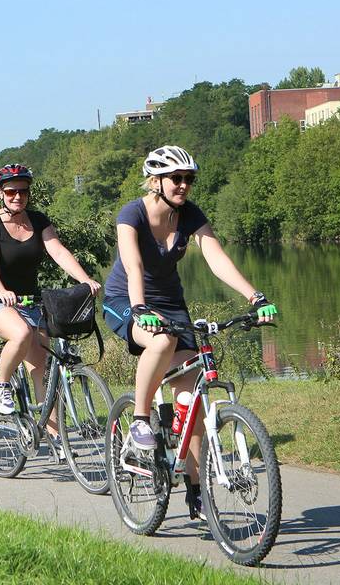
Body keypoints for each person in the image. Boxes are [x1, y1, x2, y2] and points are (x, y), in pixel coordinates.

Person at [101, 146, 278, 520]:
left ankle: (197, 490)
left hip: (170, 303)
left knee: (190, 403)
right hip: (125, 299)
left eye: (188, 179)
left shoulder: (189, 215)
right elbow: (132, 265)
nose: (183, 185)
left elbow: (216, 257)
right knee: (161, 340)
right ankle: (139, 421)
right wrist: (139, 308)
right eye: (176, 178)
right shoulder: (131, 213)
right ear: (156, 181)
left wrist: (254, 296)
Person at [0, 164, 101, 431]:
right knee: (20, 333)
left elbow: (58, 252)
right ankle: (1, 385)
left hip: (30, 301)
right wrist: (1, 292)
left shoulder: (38, 220)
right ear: (1, 193)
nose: (17, 197)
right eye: (11, 192)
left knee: (41, 371)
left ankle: (56, 438)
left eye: (23, 191)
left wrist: (85, 279)